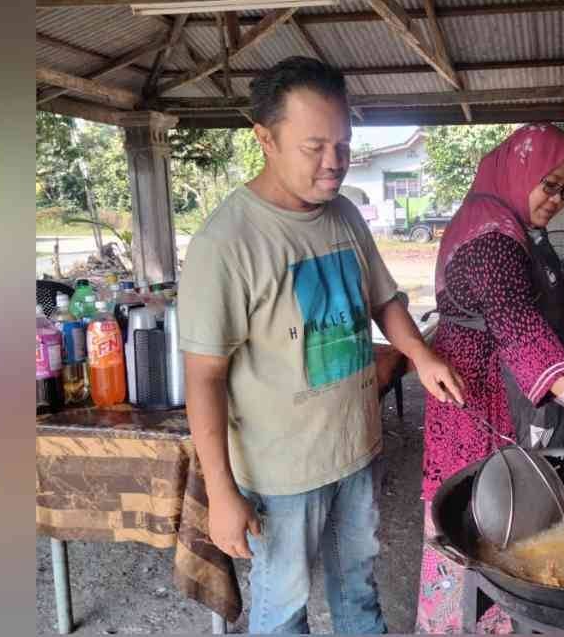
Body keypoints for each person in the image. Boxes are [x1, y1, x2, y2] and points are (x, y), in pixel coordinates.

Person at [177, 56, 465, 635]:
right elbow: (204, 377)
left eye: (343, 144)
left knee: (359, 592)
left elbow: (384, 301)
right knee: (282, 613)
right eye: (314, 147)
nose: (333, 163)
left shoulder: (345, 216)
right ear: (265, 138)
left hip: (355, 452)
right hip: (280, 475)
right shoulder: (227, 242)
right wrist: (222, 491)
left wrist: (421, 354)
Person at [414, 123, 564, 633]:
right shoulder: (490, 237)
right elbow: (515, 320)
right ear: (520, 169)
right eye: (548, 185)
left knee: (500, 516)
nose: (557, 200)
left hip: (497, 390)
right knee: (477, 520)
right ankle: (467, 624)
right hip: (476, 400)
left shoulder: (505, 221)